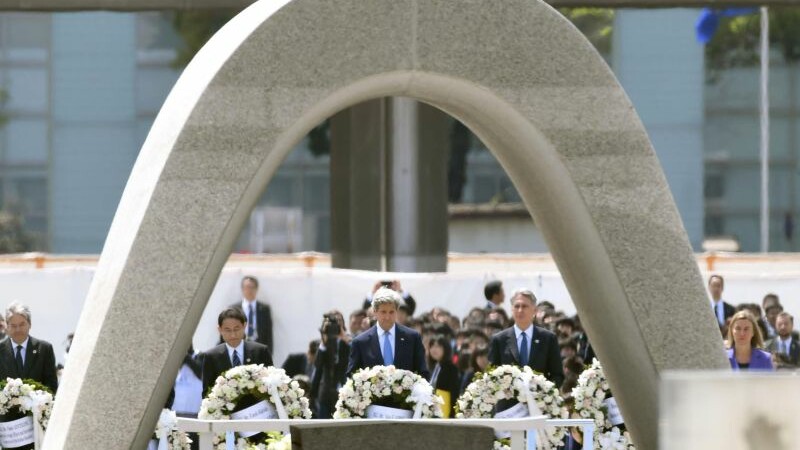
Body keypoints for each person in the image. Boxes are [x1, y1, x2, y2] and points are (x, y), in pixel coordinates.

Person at [488, 289, 564, 387]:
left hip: (538, 399)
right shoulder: (499, 340)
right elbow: (492, 374)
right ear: (511, 309)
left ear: (534, 310)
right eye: (517, 306)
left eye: (524, 306)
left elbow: (557, 374)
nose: (520, 310)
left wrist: (546, 391)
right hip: (509, 400)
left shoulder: (548, 339)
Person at [347, 287, 429, 378]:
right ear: (375, 312)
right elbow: (352, 376)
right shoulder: (360, 342)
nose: (387, 317)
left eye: (391, 312)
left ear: (397, 311)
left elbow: (423, 372)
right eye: (383, 312)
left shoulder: (412, 338)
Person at [202, 308, 273, 393]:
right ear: (220, 330)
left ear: (244, 326)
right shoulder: (211, 357)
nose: (233, 335)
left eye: (236, 329)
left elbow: (272, 383)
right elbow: (207, 393)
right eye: (227, 330)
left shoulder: (261, 351)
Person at [0, 302, 58, 393]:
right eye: (13, 326)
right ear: (7, 326)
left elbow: (51, 385)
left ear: (30, 324)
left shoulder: (44, 349)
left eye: (22, 324)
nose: (18, 329)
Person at [312, 311, 350, 418]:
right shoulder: (322, 344)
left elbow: (353, 361)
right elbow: (317, 366)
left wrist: (345, 340)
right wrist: (323, 344)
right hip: (326, 394)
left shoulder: (350, 342)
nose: (335, 326)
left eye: (339, 322)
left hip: (344, 393)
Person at [228, 275, 273, 352]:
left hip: (259, 348)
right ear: (242, 289)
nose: (249, 290)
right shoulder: (234, 309)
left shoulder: (264, 309)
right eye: (247, 287)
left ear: (257, 289)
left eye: (252, 287)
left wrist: (269, 353)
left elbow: (269, 334)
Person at [427, 335, 459, 418]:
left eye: (438, 346)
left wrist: (452, 414)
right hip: (433, 411)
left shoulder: (450, 368)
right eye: (432, 346)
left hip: (445, 411)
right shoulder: (433, 367)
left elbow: (454, 393)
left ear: (446, 349)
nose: (434, 349)